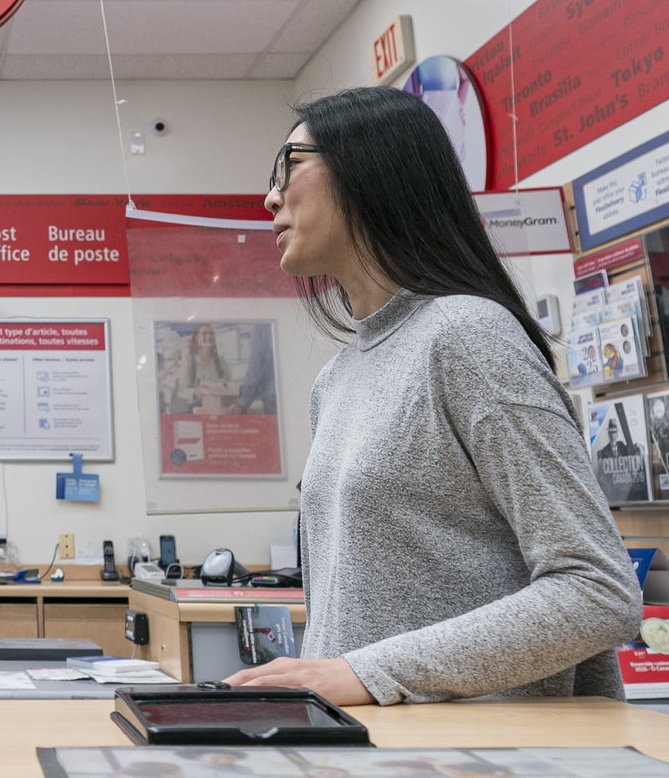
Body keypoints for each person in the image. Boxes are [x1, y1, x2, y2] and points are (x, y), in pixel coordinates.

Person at [223, 85, 640, 705]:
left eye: (292, 165)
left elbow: (599, 590)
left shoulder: (468, 336)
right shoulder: (335, 381)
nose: (271, 196)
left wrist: (365, 673)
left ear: (372, 172)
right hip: (375, 749)